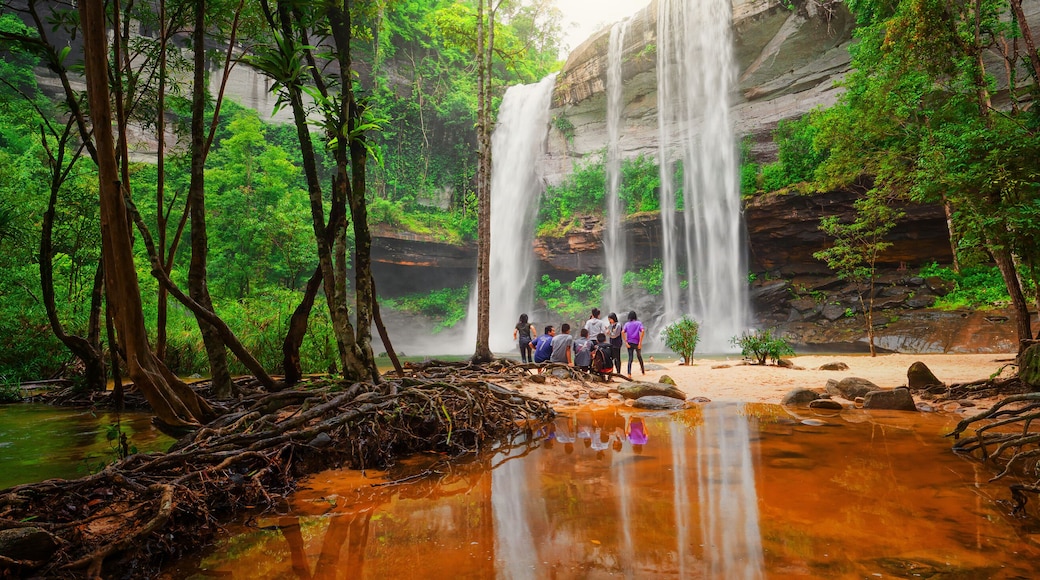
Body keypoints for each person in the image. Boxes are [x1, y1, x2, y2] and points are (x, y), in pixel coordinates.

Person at [621, 310, 645, 376]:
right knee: (639, 356)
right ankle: (643, 371)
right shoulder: (639, 323)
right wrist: (640, 342)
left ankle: (629, 373)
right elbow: (642, 331)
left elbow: (622, 332)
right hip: (637, 342)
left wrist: (626, 342)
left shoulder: (627, 324)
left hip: (629, 343)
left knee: (630, 358)